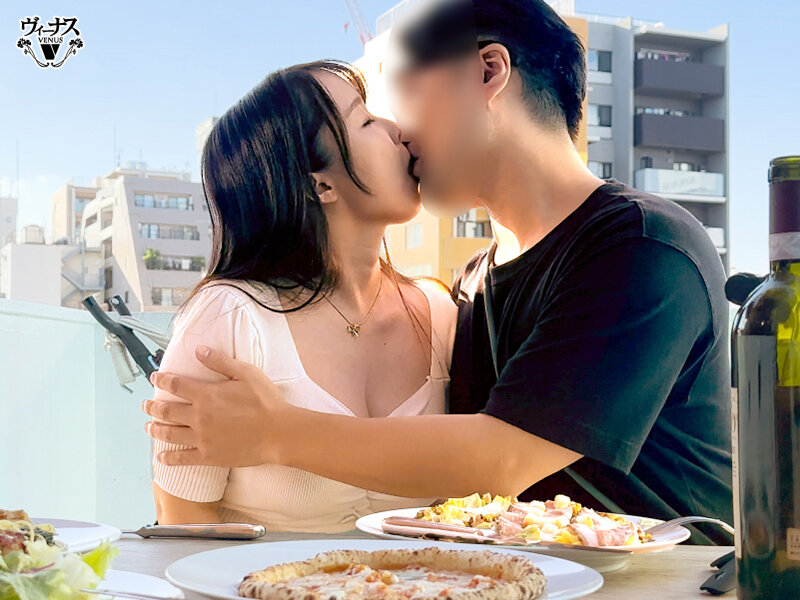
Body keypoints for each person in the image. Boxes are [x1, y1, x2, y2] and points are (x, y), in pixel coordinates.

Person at [144, 0, 733, 544]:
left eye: (404, 96)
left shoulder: (641, 245)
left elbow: (498, 460)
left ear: (487, 73)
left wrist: (277, 432)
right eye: (371, 119)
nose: (400, 129)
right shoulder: (469, 289)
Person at [148, 59, 457, 532]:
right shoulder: (231, 318)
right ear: (322, 184)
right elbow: (183, 519)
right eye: (366, 121)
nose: (396, 129)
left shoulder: (439, 313)